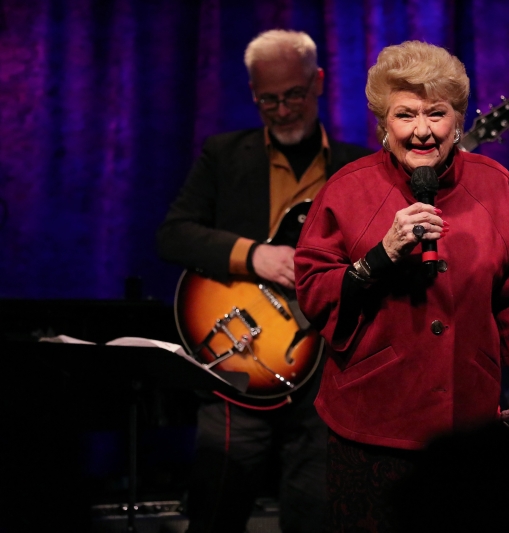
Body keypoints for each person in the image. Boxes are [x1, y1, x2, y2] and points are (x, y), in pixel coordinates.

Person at [293, 40, 509, 532]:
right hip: (370, 426)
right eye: (405, 115)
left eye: (436, 114)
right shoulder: (346, 189)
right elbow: (314, 293)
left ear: (458, 121)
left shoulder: (496, 186)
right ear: (383, 124)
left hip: (469, 429)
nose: (422, 130)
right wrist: (380, 257)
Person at [157, 29, 371, 533]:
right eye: (267, 99)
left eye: (294, 94)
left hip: (323, 374)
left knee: (316, 512)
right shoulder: (224, 155)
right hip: (240, 357)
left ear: (318, 82)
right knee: (215, 510)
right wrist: (256, 257)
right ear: (252, 94)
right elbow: (173, 235)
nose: (282, 109)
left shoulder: (359, 168)